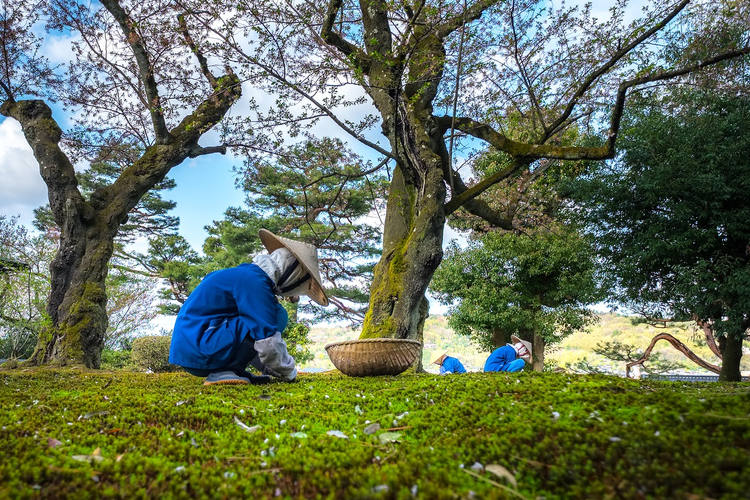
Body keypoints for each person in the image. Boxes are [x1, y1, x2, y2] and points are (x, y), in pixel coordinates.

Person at [168, 229, 328, 385]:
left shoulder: (245, 275)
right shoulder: (254, 282)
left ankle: (233, 370)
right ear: (293, 274)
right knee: (277, 314)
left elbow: (251, 335)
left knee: (263, 317)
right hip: (199, 349)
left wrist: (270, 369)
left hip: (193, 346)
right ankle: (222, 371)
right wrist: (289, 372)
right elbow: (266, 338)